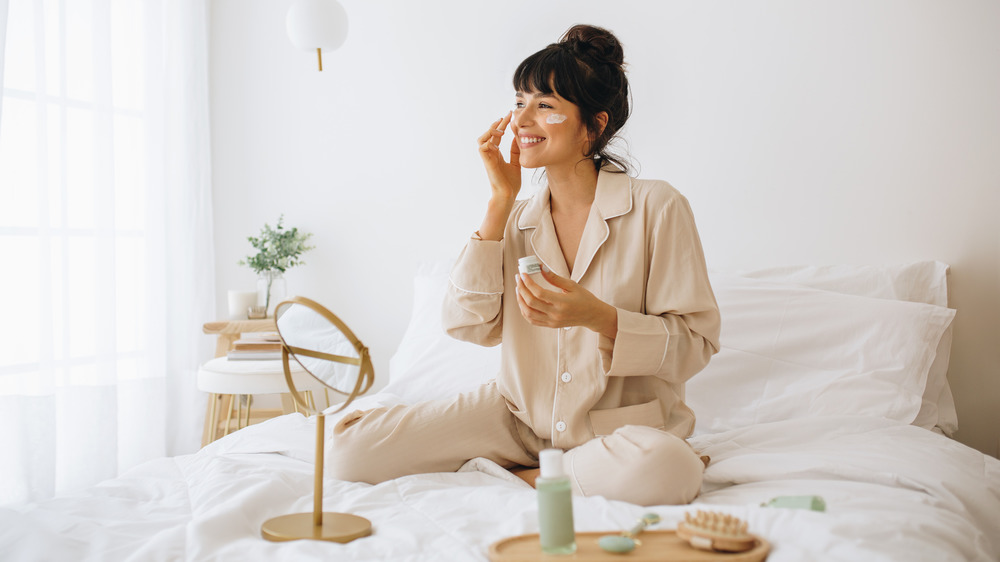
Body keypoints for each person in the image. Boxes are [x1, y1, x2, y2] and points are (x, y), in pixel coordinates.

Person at [329, 24, 720, 506]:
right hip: (517, 419)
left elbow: (695, 347)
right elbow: (467, 325)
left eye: (546, 105)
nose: (522, 120)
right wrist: (499, 201)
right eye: (519, 102)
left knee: (668, 467)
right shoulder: (516, 219)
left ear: (594, 126)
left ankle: (531, 477)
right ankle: (552, 473)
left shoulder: (657, 206)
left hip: (615, 431)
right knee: (349, 450)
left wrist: (598, 317)